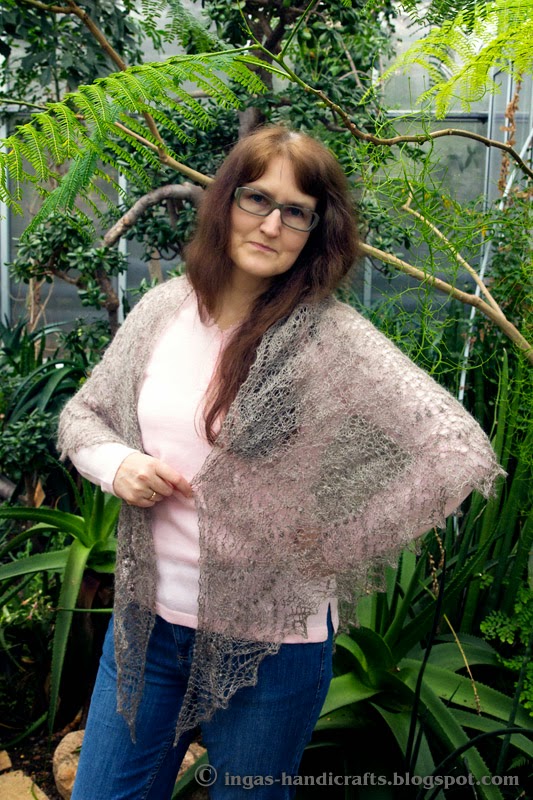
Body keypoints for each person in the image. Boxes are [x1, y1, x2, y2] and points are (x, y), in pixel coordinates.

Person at [58, 125, 503, 800]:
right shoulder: (162, 310)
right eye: (257, 198)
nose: (271, 224)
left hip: (272, 646)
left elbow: (458, 452)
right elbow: (82, 416)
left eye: (296, 211)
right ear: (225, 202)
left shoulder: (332, 339)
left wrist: (335, 546)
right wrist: (116, 463)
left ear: (316, 230)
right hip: (148, 626)